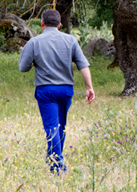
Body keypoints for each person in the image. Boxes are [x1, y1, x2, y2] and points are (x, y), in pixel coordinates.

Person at [19, 9, 95, 174]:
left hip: (46, 90)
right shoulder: (71, 40)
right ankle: (52, 156)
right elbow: (83, 65)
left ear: (42, 23)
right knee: (60, 126)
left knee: (52, 127)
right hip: (66, 90)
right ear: (60, 25)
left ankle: (57, 165)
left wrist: (34, 62)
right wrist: (89, 87)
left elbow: (23, 67)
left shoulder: (34, 42)